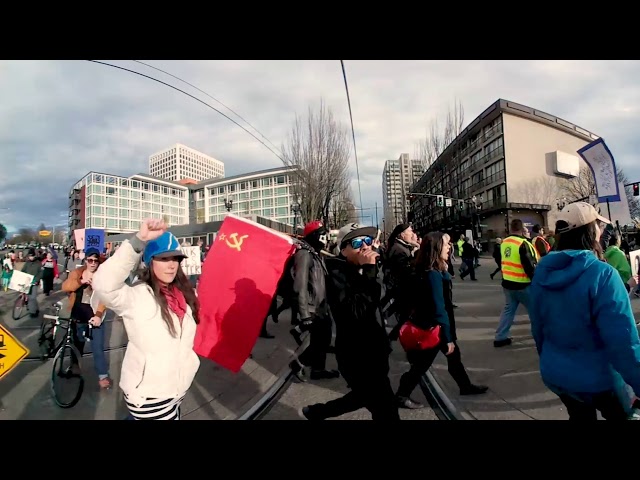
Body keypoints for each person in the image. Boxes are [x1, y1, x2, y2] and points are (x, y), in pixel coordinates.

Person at [529, 202, 640, 420]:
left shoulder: (542, 271)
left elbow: (538, 327)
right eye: (598, 224)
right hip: (600, 380)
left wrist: (550, 359)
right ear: (590, 230)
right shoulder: (604, 274)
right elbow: (623, 341)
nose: (600, 230)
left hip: (556, 374)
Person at [92, 218, 200, 420]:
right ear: (150, 262)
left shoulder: (183, 295)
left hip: (177, 389)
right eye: (164, 259)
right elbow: (103, 284)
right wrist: (138, 241)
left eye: (175, 259)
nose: (171, 265)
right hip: (150, 397)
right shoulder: (136, 296)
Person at [301, 223, 399, 420]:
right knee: (385, 409)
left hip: (376, 350)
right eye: (356, 242)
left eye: (368, 241)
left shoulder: (365, 269)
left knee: (364, 397)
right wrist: (369, 271)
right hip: (358, 357)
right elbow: (358, 311)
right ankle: (317, 412)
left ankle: (317, 412)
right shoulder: (336, 275)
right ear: (344, 250)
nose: (365, 246)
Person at [395, 232, 487, 409]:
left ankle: (465, 386)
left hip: (435, 325)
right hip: (434, 329)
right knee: (422, 365)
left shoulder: (431, 269)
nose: (449, 247)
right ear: (436, 248)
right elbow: (439, 308)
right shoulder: (433, 274)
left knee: (454, 358)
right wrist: (448, 336)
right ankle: (401, 394)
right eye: (446, 244)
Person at [288, 220, 340, 380]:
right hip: (313, 308)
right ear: (315, 236)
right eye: (323, 234)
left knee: (323, 339)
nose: (326, 237)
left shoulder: (315, 254)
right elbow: (300, 286)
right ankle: (298, 364)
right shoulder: (304, 254)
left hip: (321, 306)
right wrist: (304, 315)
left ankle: (318, 369)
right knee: (320, 341)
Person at [61, 247, 111, 389]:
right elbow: (65, 287)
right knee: (76, 344)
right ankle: (75, 367)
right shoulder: (77, 273)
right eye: (90, 260)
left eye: (96, 261)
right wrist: (81, 282)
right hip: (77, 314)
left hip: (94, 316)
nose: (93, 263)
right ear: (85, 260)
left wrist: (98, 315)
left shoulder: (102, 276)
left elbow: (104, 298)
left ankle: (103, 375)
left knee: (97, 347)